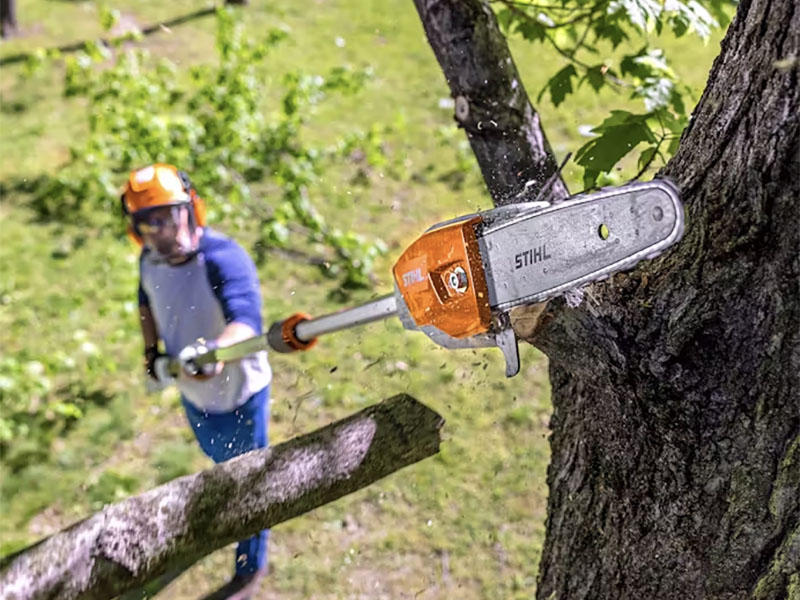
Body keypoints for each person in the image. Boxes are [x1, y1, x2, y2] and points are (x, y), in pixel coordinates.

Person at [122, 163, 271, 600]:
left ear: (190, 209)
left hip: (241, 390)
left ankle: (250, 567)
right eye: (149, 223)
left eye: (168, 217)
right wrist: (152, 353)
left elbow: (246, 321)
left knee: (252, 481)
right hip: (194, 393)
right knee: (220, 465)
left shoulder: (223, 257)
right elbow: (145, 303)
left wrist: (215, 351)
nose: (162, 232)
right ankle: (228, 517)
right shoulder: (149, 263)